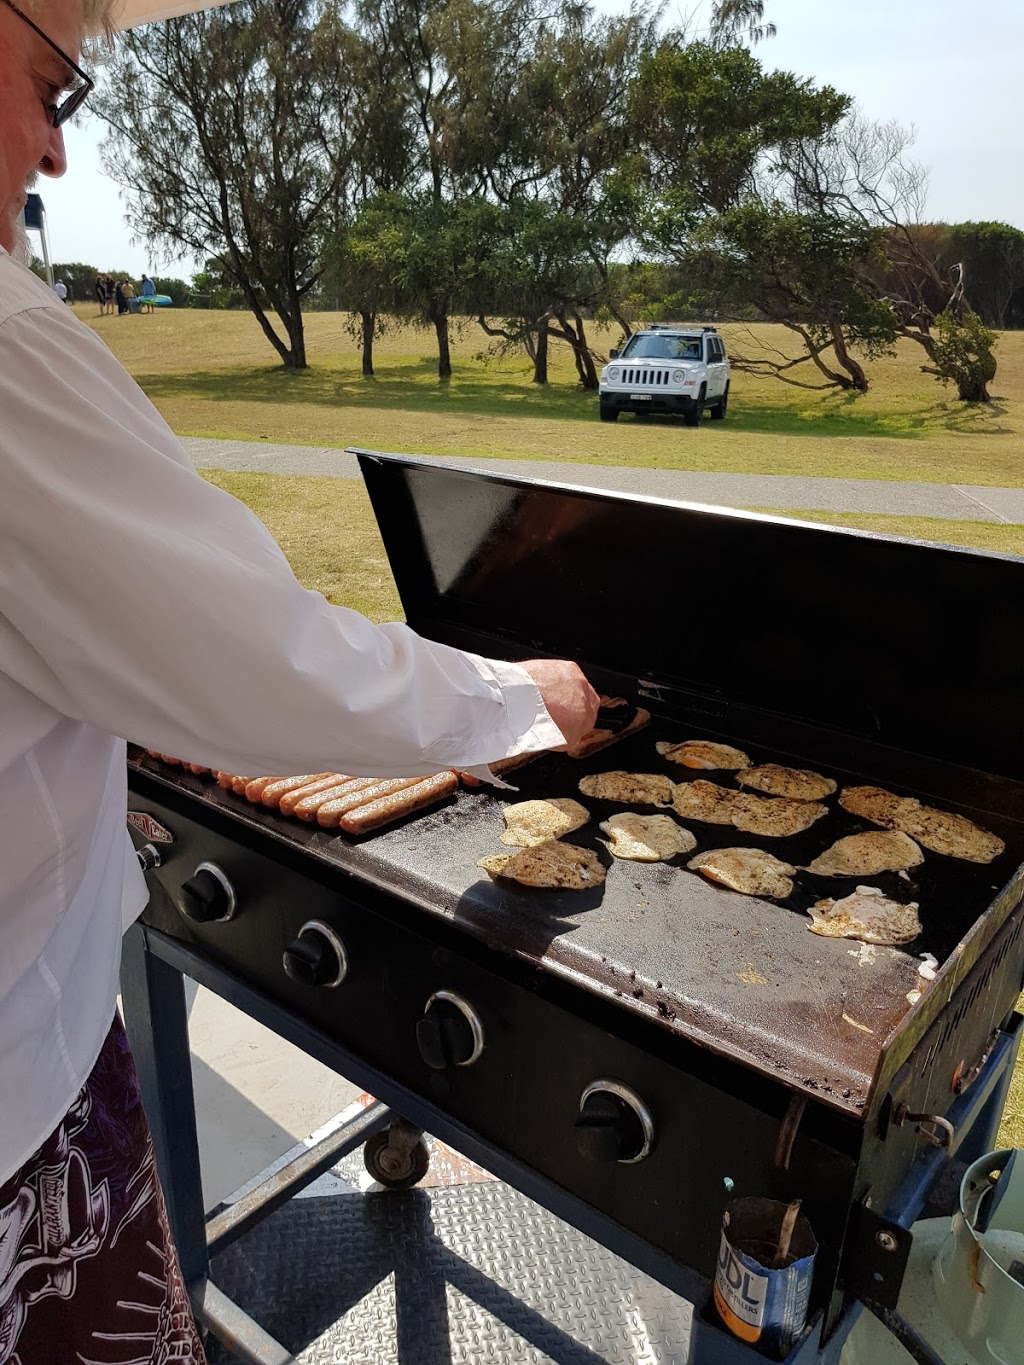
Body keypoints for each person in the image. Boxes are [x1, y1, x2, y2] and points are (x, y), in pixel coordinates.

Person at [0, 1, 599, 1360]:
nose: (53, 152)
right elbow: (259, 661)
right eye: (51, 86)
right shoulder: (5, 346)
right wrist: (521, 699)